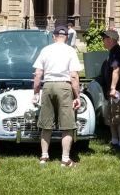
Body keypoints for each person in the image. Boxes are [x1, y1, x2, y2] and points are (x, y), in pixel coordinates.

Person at [32, 24, 83, 167]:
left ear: (54, 36)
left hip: (48, 85)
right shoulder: (70, 51)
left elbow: (38, 74)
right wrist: (77, 96)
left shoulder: (45, 50)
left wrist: (36, 92)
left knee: (46, 124)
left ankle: (44, 157)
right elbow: (74, 76)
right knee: (67, 125)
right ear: (66, 37)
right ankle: (65, 159)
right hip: (64, 86)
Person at [100, 28, 120, 150]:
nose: (103, 41)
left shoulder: (117, 52)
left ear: (111, 39)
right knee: (112, 116)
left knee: (119, 116)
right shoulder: (112, 52)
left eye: (104, 38)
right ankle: (114, 141)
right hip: (114, 91)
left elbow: (116, 70)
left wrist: (113, 88)